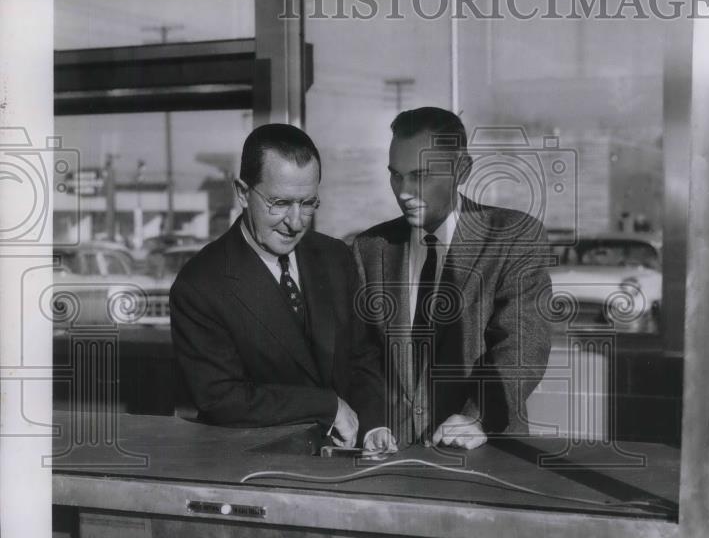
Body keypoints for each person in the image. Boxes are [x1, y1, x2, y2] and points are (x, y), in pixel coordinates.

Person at [170, 124, 395, 453]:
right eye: (280, 202)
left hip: (344, 463)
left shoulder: (335, 257)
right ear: (243, 193)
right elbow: (224, 399)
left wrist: (374, 424)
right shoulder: (199, 286)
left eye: (308, 203)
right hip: (257, 470)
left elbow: (363, 357)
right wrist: (327, 406)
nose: (296, 221)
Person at [352, 107, 552, 450]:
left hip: (483, 453)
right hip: (392, 457)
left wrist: (477, 416)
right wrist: (371, 423)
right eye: (396, 175)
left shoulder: (513, 237)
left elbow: (522, 346)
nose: (403, 191)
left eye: (421, 175)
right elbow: (361, 353)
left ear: (462, 170)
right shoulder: (370, 248)